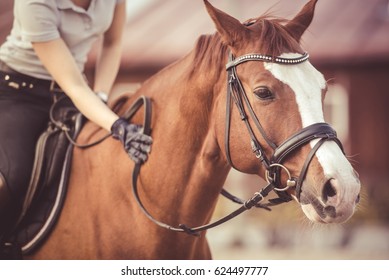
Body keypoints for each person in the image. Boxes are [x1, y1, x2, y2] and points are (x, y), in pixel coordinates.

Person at [0, 0, 152, 244]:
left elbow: (113, 44)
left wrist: (102, 96)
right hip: (19, 92)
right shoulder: (32, 2)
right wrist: (117, 126)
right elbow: (74, 86)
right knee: (12, 177)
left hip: (70, 96)